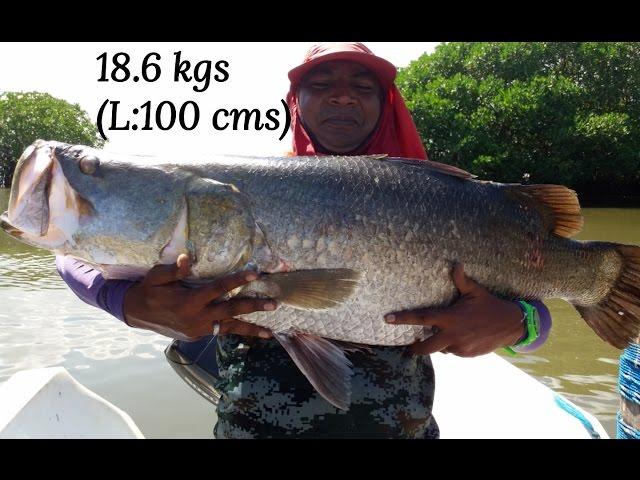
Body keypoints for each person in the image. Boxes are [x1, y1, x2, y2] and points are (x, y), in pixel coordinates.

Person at [56, 42, 552, 438]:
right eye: (322, 84)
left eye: (363, 85)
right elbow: (74, 253)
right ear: (296, 102)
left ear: (386, 105)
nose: (342, 95)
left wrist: (517, 324)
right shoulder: (241, 190)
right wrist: (126, 302)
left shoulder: (438, 201)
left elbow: (542, 308)